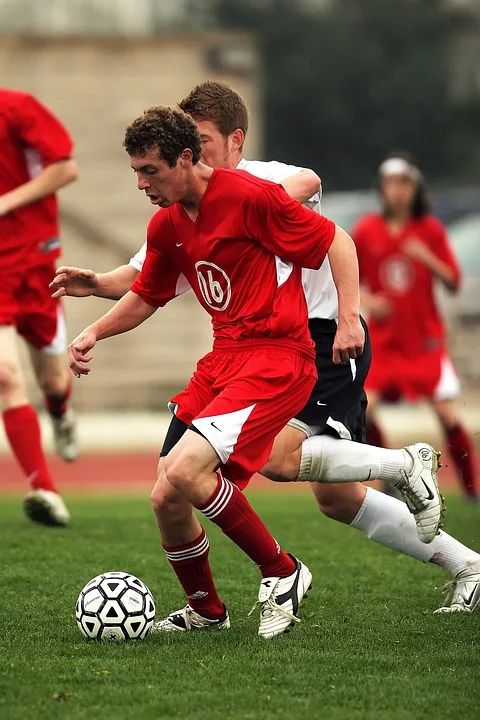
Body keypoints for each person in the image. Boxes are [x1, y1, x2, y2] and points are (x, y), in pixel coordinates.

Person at [52, 83, 478, 618]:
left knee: (271, 461)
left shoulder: (260, 182)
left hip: (321, 339)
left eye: (203, 139)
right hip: (251, 349)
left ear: (235, 140)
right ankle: (468, 565)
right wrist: (96, 289)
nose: (197, 150)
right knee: (334, 498)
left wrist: (247, 202)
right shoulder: (187, 208)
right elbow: (145, 277)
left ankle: (393, 474)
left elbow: (308, 184)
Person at [354, 152, 478, 502]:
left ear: (415, 188)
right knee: (365, 407)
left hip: (423, 341)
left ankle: (471, 487)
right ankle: (385, 476)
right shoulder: (367, 230)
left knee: (445, 414)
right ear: (382, 187)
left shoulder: (430, 230)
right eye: (392, 182)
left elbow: (453, 281)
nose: (398, 191)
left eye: (405, 183)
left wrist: (426, 256)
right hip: (385, 341)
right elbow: (350, 276)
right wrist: (368, 298)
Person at [0, 88, 79, 527]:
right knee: (7, 376)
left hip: (34, 261)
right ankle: (45, 489)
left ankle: (61, 411)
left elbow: (66, 167)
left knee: (53, 379)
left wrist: (5, 203)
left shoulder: (16, 107)